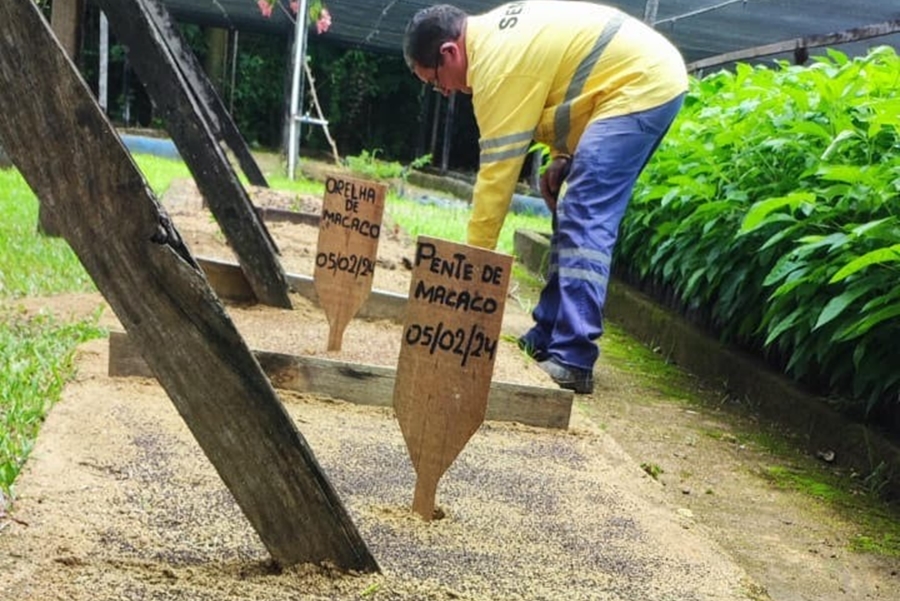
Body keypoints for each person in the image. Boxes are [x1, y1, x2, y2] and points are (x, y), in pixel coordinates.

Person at [403, 1, 688, 394]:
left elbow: (496, 179)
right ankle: (550, 333)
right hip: (630, 80)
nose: (446, 91)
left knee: (584, 213)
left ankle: (573, 356)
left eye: (436, 81)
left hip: (640, 85)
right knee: (571, 210)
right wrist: (562, 156)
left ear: (450, 52)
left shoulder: (496, 65)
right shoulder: (495, 39)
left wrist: (471, 270)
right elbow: (567, 81)